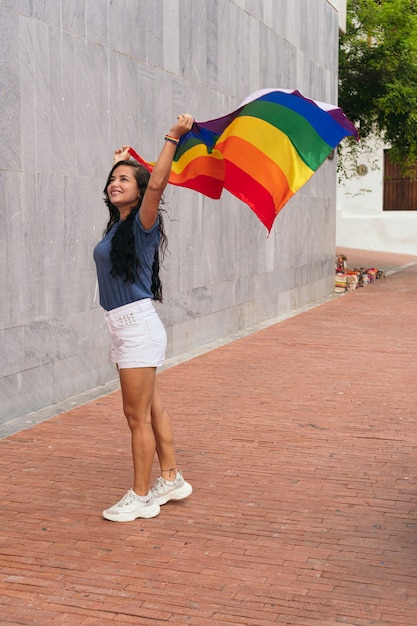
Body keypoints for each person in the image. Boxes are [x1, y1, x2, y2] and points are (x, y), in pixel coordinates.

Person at [93, 113, 194, 522]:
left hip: (136, 326)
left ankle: (141, 496)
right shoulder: (118, 229)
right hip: (127, 327)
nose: (115, 183)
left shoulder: (142, 224)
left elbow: (155, 183)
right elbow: (137, 182)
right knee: (152, 410)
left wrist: (173, 136)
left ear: (139, 194)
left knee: (135, 417)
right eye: (112, 179)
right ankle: (169, 478)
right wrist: (122, 163)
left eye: (124, 180)